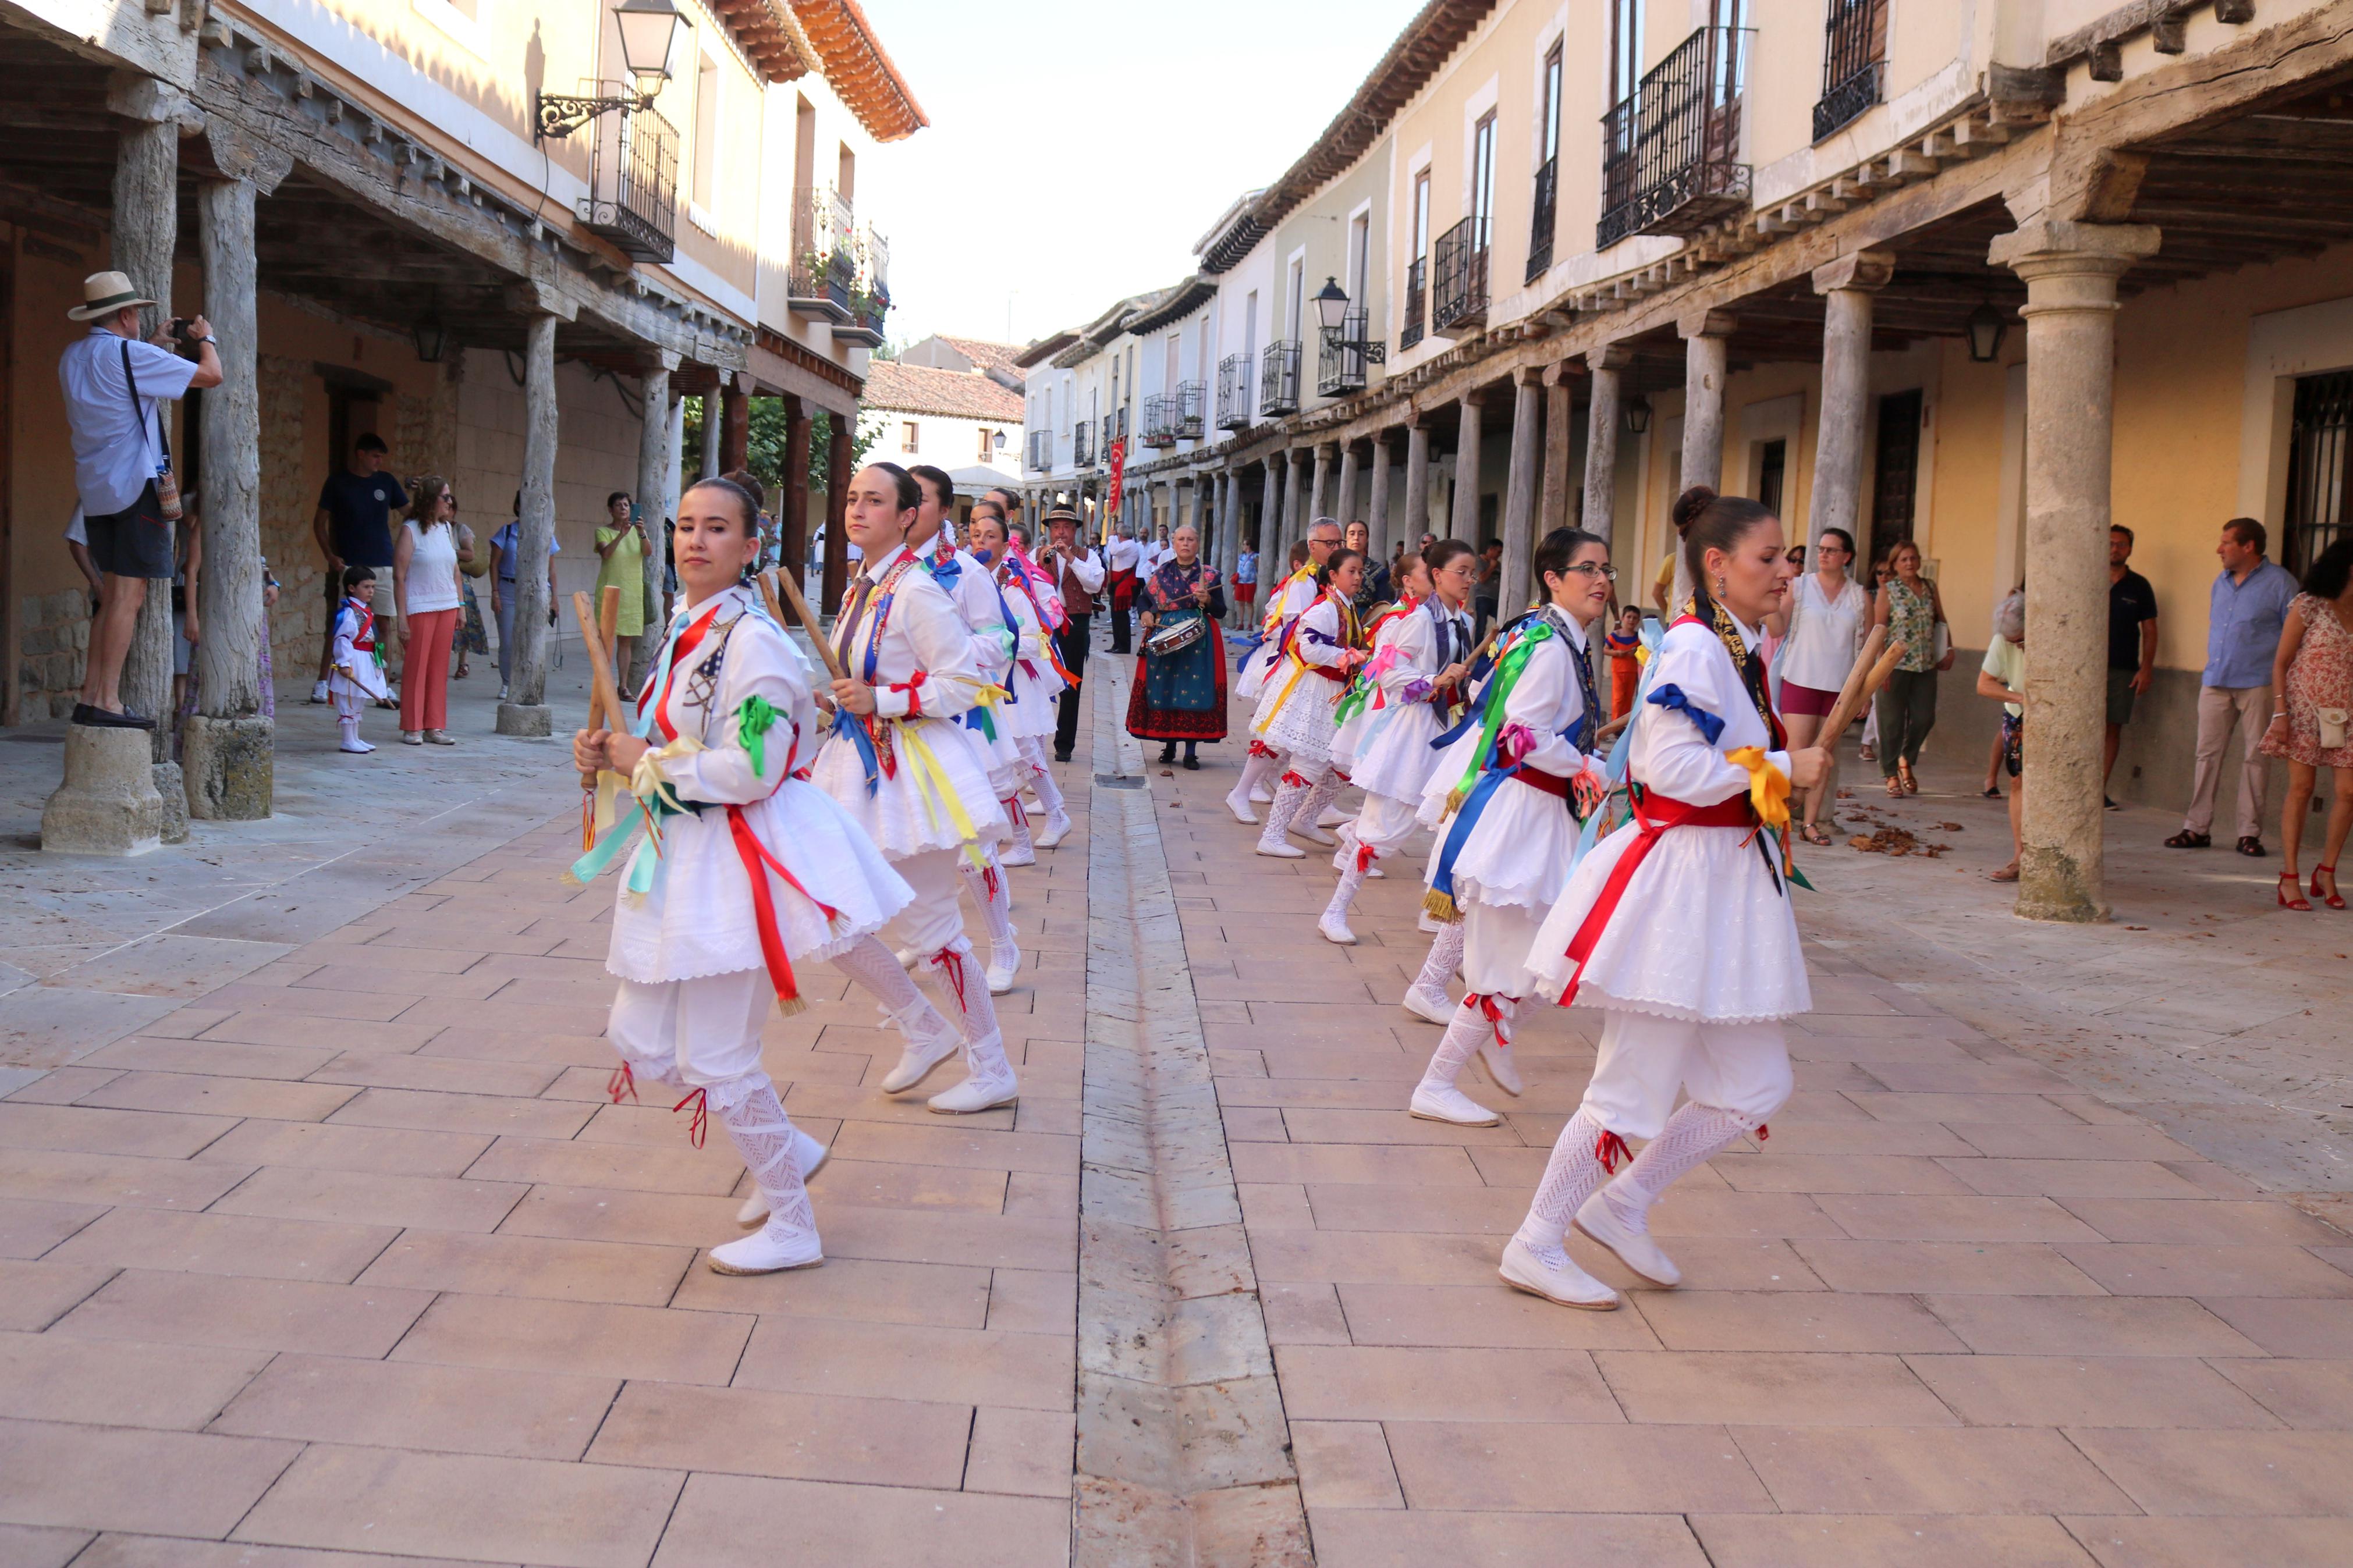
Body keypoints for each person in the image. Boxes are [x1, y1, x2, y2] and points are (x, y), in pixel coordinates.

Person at [569, 476, 917, 1276]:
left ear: (750, 545)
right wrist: (608, 752)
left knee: (720, 1055)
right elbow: (664, 729)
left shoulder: (754, 641)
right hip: (680, 855)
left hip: (736, 861)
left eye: (717, 528)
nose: (696, 540)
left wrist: (646, 762)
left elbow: (757, 766)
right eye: (686, 525)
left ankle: (793, 1222)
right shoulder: (685, 627)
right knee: (639, 1036)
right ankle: (786, 1148)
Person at [1511, 487, 1829, 1310]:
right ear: (1715, 564)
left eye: (1786, 557)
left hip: (1722, 886)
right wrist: (1782, 770)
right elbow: (1666, 769)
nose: (1784, 572)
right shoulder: (1693, 647)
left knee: (1754, 1085)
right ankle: (1535, 1239)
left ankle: (1621, 1201)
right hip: (1680, 890)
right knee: (1630, 1086)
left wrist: (1772, 771)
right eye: (1768, 558)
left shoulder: (1735, 645)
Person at [808, 463, 1018, 1112]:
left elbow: (962, 683)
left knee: (929, 925)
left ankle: (989, 1065)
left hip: (912, 771)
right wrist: (838, 700)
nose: (856, 509)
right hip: (857, 762)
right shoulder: (862, 589)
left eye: (873, 500)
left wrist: (884, 698)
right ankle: (922, 1027)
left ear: (906, 517)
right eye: (850, 497)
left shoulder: (916, 590)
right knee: (825, 911)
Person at [1409, 528, 1613, 1126]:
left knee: (1543, 959)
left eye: (1606, 569)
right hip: (1521, 818)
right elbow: (1517, 732)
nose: (1601, 580)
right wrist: (1586, 765)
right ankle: (1437, 1083)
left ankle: (1490, 1041)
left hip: (1537, 815)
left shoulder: (1546, 634)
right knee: (1511, 965)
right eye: (1587, 569)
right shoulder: (1548, 645)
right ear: (1552, 578)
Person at [62, 271, 221, 728]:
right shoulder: (131, 355)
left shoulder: (72, 356)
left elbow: (117, 381)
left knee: (111, 596)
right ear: (127, 314)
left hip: (96, 490)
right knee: (128, 599)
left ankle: (91, 693)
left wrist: (151, 346)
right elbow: (212, 375)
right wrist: (205, 338)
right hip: (136, 487)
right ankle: (107, 699)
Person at [905, 463, 1025, 992]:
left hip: (962, 720)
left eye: (920, 499)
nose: (906, 508)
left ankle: (1003, 943)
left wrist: (942, 656)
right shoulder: (884, 573)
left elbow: (1002, 639)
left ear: (941, 512)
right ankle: (930, 932)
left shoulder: (966, 572)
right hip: (905, 721)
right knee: (916, 838)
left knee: (974, 846)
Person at [1321, 540, 1474, 948]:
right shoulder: (1419, 620)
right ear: (1437, 574)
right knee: (1379, 829)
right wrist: (1432, 682)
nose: (1468, 580)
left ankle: (1434, 910)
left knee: (1449, 823)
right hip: (1413, 731)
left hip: (1446, 734)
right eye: (1461, 571)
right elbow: (1388, 674)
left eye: (1472, 572)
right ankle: (1334, 910)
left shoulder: (1464, 622)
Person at [2170, 517, 2301, 855]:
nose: (2219, 549)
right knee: (2206, 755)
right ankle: (2196, 828)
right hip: (2215, 681)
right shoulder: (2221, 581)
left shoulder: (2281, 583)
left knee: (2256, 758)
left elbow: (2296, 636)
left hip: (2258, 683)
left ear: (2249, 546)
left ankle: (2249, 833)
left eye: (2226, 542)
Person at [1251, 547, 1370, 856]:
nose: (1357, 577)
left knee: (1345, 762)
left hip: (1335, 691)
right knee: (1309, 762)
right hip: (1318, 691)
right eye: (1351, 572)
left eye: (1360, 572)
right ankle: (1272, 835)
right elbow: (1308, 648)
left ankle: (1306, 818)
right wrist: (1349, 657)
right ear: (1333, 575)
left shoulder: (1345, 606)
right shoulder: (1324, 609)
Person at [1227, 519, 1344, 823]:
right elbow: (1294, 631)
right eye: (1329, 543)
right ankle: (1243, 791)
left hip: (1314, 671)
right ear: (1312, 546)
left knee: (1302, 739)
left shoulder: (1326, 579)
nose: (1336, 548)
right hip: (1296, 669)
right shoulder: (1304, 582)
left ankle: (1309, 803)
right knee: (1277, 735)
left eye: (1339, 543)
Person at [2259, 536, 2353, 910]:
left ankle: (2327, 871)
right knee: (2301, 789)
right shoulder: (2309, 604)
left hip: (2349, 713)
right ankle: (2289, 876)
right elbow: (2281, 662)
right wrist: (2281, 714)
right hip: (2303, 709)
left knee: (2348, 793)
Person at [978, 503, 1075, 849]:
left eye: (990, 536)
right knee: (1006, 755)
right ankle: (1019, 829)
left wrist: (989, 647)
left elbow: (1035, 642)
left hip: (1013, 682)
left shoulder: (1015, 586)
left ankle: (1053, 815)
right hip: (990, 682)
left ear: (1006, 546)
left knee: (1025, 753)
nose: (981, 542)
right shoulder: (978, 581)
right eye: (975, 534)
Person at [1770, 527, 1869, 845]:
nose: (1823, 554)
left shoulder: (1859, 596)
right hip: (1801, 677)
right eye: (1821, 548)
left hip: (1840, 686)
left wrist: (1866, 694)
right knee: (1795, 750)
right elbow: (1777, 627)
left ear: (1846, 557)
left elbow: (1866, 647)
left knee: (1825, 753)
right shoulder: (1799, 587)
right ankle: (1779, 817)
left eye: (1831, 550)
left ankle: (1810, 823)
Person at [311, 433, 406, 707]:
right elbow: (319, 522)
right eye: (375, 456)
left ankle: (383, 685)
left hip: (384, 562)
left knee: (385, 625)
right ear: (361, 454)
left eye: (381, 457)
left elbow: (408, 513)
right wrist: (330, 555)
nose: (379, 461)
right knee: (342, 624)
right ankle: (323, 681)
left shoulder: (387, 482)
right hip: (352, 564)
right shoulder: (338, 482)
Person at [1128, 524, 1228, 769]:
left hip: (1200, 640)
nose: (1185, 544)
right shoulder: (1161, 573)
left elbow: (1222, 612)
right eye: (1181, 539)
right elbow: (1143, 598)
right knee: (1166, 687)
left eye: (1191, 540)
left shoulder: (1211, 575)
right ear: (1173, 543)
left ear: (1197, 544)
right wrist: (1145, 614)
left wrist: (1209, 601)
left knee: (1195, 689)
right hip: (1166, 635)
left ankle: (1191, 751)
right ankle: (1169, 746)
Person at [1868, 541, 1954, 796]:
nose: (1909, 563)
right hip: (1895, 664)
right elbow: (1879, 629)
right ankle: (1891, 773)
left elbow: (1940, 620)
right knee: (1891, 722)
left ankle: (1907, 756)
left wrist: (1949, 648)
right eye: (1904, 559)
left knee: (1925, 717)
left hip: (1925, 663)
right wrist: (1881, 666)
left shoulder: (1929, 587)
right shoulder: (1888, 590)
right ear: (1894, 564)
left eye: (1913, 558)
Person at [393, 477, 464, 746]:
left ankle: (434, 725)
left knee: (438, 668)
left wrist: (461, 606)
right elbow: (399, 576)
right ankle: (412, 726)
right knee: (417, 666)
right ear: (430, 500)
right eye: (445, 497)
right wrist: (402, 617)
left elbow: (455, 570)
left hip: (447, 604)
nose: (449, 502)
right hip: (420, 606)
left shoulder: (446, 529)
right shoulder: (410, 530)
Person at [1035, 507, 1104, 762]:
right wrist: (1040, 561)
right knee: (1038, 682)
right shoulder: (1037, 554)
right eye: (1055, 528)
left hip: (1076, 621)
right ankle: (1036, 740)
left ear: (1074, 531)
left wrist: (1072, 560)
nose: (1060, 533)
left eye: (1065, 527)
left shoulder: (1089, 557)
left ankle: (1064, 745)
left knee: (1072, 684)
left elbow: (1095, 584)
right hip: (1044, 624)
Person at [2106, 525, 2160, 807]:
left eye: (2122, 545)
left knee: (2112, 728)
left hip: (2123, 668)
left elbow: (2150, 630)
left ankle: (2096, 790)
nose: (2116, 549)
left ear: (2130, 549)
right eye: (2111, 543)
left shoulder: (2140, 585)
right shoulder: (2085, 578)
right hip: (2081, 669)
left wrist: (2146, 668)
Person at [489, 493, 561, 702]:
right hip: (509, 588)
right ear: (518, 507)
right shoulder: (507, 531)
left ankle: (530, 680)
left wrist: (555, 597)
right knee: (509, 640)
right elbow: (493, 564)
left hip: (537, 590)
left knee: (533, 639)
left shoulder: (546, 532)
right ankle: (507, 681)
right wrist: (495, 593)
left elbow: (552, 569)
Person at [1979, 592, 2029, 882]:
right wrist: (2019, 697)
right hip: (2019, 713)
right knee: (2017, 780)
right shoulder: (2002, 639)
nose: (2017, 647)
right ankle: (2019, 856)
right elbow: (1984, 684)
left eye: (2021, 641)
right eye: (2013, 643)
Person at [326, 565, 389, 754]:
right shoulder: (349, 613)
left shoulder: (365, 612)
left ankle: (355, 737)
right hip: (353, 660)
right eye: (366, 587)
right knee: (349, 699)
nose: (371, 591)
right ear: (352, 588)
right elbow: (343, 639)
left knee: (358, 700)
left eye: (373, 587)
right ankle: (347, 740)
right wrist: (344, 663)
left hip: (365, 659)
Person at [594, 490, 650, 693]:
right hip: (609, 591)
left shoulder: (638, 531)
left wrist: (641, 533)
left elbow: (648, 552)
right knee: (605, 639)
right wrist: (621, 535)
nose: (624, 508)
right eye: (619, 505)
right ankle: (603, 684)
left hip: (631, 592)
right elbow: (606, 554)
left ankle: (623, 686)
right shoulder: (602, 531)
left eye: (627, 505)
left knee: (625, 641)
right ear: (611, 510)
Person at [452, 513, 489, 682]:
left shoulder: (460, 529)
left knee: (463, 621)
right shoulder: (431, 528)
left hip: (460, 579)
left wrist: (450, 552)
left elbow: (470, 555)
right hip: (440, 579)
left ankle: (463, 662)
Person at [1106, 525, 1143, 653]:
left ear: (1120, 535)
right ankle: (1117, 643)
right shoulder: (1124, 544)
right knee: (1115, 616)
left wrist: (1111, 537)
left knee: (1121, 615)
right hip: (1117, 582)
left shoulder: (1130, 545)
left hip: (1124, 583)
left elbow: (1114, 550)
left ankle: (1124, 645)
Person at [1344, 520, 1393, 616]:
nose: (1356, 538)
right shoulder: (1333, 567)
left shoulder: (1379, 572)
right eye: (1352, 534)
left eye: (1361, 534)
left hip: (1367, 621)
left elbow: (1382, 605)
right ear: (1345, 538)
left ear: (1367, 539)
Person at [1605, 605, 1643, 723]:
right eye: (1629, 617)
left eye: (1635, 618)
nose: (1631, 620)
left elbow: (1643, 652)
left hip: (1632, 671)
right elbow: (1605, 649)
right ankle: (1615, 724)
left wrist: (1636, 652)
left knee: (1628, 698)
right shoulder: (1615, 635)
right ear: (1622, 618)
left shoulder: (1639, 637)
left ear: (1638, 621)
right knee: (1618, 698)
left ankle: (1622, 725)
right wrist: (1617, 653)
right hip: (1618, 671)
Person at [1472, 538, 1504, 639]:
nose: (1500, 555)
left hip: (1496, 599)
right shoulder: (1480, 561)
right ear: (1491, 549)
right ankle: (1478, 652)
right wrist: (1491, 567)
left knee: (1502, 622)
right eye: (1498, 552)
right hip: (1483, 597)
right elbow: (1481, 579)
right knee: (1481, 626)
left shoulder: (1498, 565)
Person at [1234, 538, 1259, 616]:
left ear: (1249, 546)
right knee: (1240, 603)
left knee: (1249, 603)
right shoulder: (1241, 557)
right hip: (1240, 581)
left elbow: (1258, 568)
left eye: (1244, 544)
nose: (1243, 546)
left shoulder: (1256, 556)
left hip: (1250, 582)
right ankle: (1241, 622)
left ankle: (1249, 624)